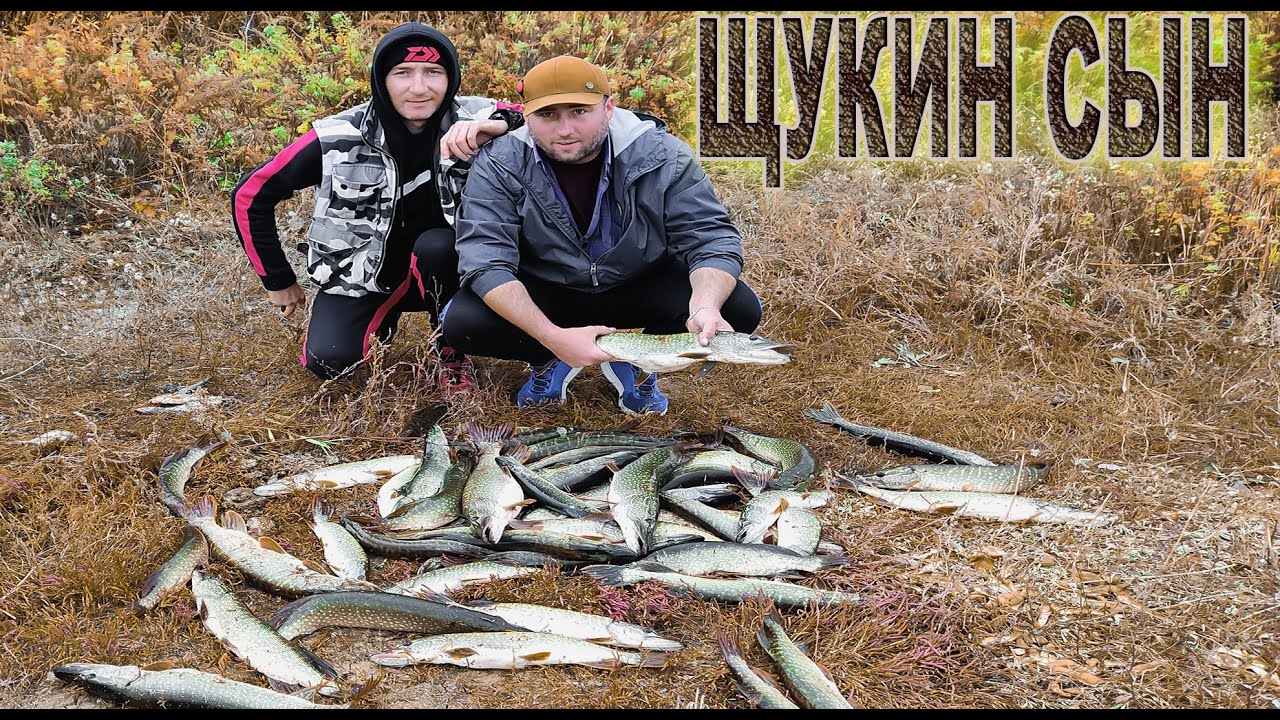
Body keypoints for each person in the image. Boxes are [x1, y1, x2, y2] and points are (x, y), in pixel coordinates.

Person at [442, 55, 763, 415]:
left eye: (579, 111)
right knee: (464, 322)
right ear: (527, 116)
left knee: (737, 308)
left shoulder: (664, 156)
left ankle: (640, 362)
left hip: (636, 282)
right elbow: (486, 261)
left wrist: (705, 305)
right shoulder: (499, 163)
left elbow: (709, 237)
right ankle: (552, 357)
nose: (565, 129)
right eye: (547, 115)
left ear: (608, 108)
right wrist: (551, 337)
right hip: (550, 288)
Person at [231, 22, 523, 388]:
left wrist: (501, 126)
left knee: (438, 245)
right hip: (361, 276)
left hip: (447, 269)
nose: (419, 87)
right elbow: (250, 195)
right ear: (381, 79)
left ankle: (450, 351)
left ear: (451, 79)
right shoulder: (337, 136)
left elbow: (544, 118)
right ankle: (379, 321)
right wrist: (278, 279)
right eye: (403, 73)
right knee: (330, 362)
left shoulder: (476, 118)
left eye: (433, 72)